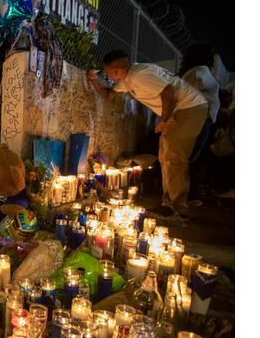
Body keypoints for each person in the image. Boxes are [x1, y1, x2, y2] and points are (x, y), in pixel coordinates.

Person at [87, 50, 208, 219]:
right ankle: (168, 204)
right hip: (179, 111)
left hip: (188, 109)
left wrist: (164, 120)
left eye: (106, 71)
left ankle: (178, 208)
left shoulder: (139, 75)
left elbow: (170, 93)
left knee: (175, 158)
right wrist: (93, 81)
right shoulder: (127, 79)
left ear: (115, 70)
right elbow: (109, 94)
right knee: (165, 156)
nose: (105, 73)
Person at [178, 43, 221, 205]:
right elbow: (187, 95)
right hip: (198, 120)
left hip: (201, 120)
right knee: (188, 158)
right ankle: (183, 195)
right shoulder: (199, 72)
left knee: (190, 158)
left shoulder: (197, 71)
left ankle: (186, 194)